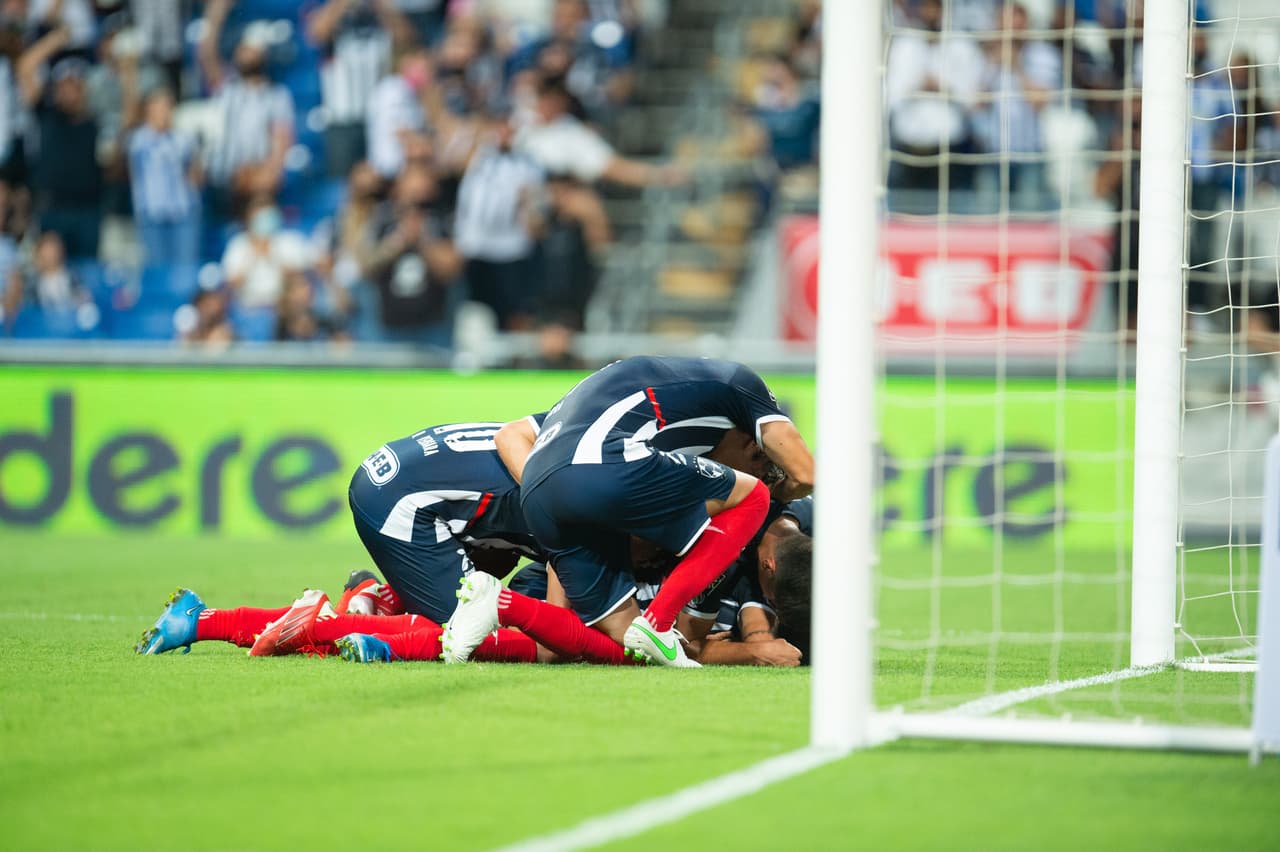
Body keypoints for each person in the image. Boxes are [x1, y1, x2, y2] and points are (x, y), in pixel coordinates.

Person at [444, 356, 814, 668]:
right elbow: (806, 474)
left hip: (540, 490)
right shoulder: (741, 385)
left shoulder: (666, 414)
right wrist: (773, 496)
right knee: (753, 499)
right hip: (597, 461)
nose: (750, 475)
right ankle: (660, 621)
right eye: (758, 467)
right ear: (754, 441)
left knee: (623, 639)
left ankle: (499, 604)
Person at [454, 108, 544, 330]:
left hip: (509, 249)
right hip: (472, 246)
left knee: (513, 312)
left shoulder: (529, 164)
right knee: (472, 313)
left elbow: (534, 208)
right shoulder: (477, 154)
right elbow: (452, 164)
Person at [199, 4, 296, 211]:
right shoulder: (225, 87)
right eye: (245, 48)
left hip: (257, 181)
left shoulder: (277, 96)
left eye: (255, 48)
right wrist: (215, 14)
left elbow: (281, 142)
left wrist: (264, 176)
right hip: (221, 181)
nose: (249, 53)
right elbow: (206, 56)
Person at [18, 33, 103, 258]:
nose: (70, 91)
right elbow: (25, 67)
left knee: (85, 276)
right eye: (64, 85)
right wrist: (56, 39)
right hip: (52, 209)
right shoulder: (46, 114)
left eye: (75, 84)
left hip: (88, 210)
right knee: (50, 274)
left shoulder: (94, 121)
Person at [362, 162, 462, 347]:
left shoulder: (441, 218)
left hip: (434, 326)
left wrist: (423, 241)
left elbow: (452, 268)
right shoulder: (382, 219)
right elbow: (366, 266)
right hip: (390, 327)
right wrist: (396, 242)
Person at [127, 88, 202, 267]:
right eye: (159, 106)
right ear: (148, 109)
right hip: (151, 213)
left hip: (182, 212)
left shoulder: (183, 139)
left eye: (167, 106)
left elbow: (196, 176)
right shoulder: (137, 140)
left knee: (185, 269)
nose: (164, 111)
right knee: (157, 270)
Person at [220, 196, 314, 310]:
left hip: (282, 306)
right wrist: (252, 256)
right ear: (250, 218)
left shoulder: (290, 240)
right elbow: (231, 283)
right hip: (248, 307)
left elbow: (299, 278)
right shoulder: (239, 243)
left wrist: (272, 256)